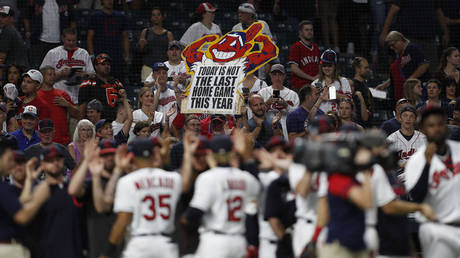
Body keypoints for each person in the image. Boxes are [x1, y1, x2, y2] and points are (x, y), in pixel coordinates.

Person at [101, 137, 184, 258]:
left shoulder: (127, 181)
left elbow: (122, 222)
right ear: (154, 154)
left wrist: (107, 253)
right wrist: (164, 158)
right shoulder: (174, 178)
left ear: (132, 156)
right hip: (166, 245)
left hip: (139, 245)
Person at [182, 135, 261, 258]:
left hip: (215, 242)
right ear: (233, 152)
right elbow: (257, 191)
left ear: (211, 154)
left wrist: (183, 219)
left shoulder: (208, 178)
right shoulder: (246, 178)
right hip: (239, 242)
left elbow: (194, 214)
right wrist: (246, 155)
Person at [403, 106, 460, 258]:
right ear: (423, 129)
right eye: (431, 125)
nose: (437, 129)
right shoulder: (416, 160)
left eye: (440, 124)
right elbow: (417, 197)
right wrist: (427, 164)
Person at [68, 139, 128, 258]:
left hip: (124, 249)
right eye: (104, 155)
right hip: (97, 249)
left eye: (111, 154)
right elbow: (73, 189)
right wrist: (87, 161)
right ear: (98, 157)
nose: (109, 158)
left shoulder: (126, 181)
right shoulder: (91, 183)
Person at [0, 136, 51, 258]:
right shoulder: (2, 187)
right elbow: (22, 217)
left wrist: (29, 180)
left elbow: (18, 205)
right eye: (9, 159)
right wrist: (39, 196)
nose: (13, 164)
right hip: (7, 249)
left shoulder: (4, 186)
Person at [32, 145, 84, 258]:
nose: (55, 163)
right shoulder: (38, 191)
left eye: (58, 159)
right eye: (50, 160)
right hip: (47, 252)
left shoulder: (72, 188)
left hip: (74, 251)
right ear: (42, 164)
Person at [379, 0, 446, 72]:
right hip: (409, 38)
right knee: (406, 71)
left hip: (429, 39)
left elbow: (439, 12)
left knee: (432, 71)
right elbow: (393, 10)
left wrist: (445, 32)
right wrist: (384, 32)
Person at [40, 28, 95, 105]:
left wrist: (85, 75)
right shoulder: (53, 53)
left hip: (79, 98)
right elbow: (42, 77)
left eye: (74, 41)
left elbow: (93, 75)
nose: (71, 43)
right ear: (63, 39)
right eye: (69, 40)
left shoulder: (84, 53)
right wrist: (60, 73)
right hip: (57, 98)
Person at [24, 0, 75, 68]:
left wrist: (70, 36)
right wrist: (28, 31)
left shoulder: (65, 2)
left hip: (60, 42)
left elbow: (73, 20)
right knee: (38, 68)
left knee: (59, 68)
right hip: (39, 42)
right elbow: (26, 16)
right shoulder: (36, 2)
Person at [88, 0, 130, 81]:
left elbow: (125, 37)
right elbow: (90, 37)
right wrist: (92, 55)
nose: (109, 1)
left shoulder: (121, 17)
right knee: (100, 83)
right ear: (102, 1)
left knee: (117, 83)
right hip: (100, 55)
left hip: (117, 57)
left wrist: (127, 55)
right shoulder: (95, 16)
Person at [38, 66, 80, 145]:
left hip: (63, 141)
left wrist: (68, 105)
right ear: (42, 77)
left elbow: (78, 114)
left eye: (54, 74)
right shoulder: (36, 95)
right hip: (42, 141)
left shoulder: (62, 94)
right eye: (49, 74)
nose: (53, 77)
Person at [384, 31, 430, 102]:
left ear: (399, 40)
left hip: (421, 87)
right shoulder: (399, 55)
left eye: (393, 45)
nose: (392, 48)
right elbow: (397, 75)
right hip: (411, 90)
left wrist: (410, 79)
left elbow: (424, 65)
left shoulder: (412, 48)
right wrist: (384, 85)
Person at [79, 53, 124, 121]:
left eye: (108, 64)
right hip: (96, 123)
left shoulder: (117, 83)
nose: (106, 66)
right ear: (96, 66)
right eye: (103, 64)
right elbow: (82, 108)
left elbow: (124, 104)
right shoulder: (88, 83)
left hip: (116, 122)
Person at [259, 64, 300, 140]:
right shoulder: (262, 92)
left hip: (287, 128)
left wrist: (286, 105)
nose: (277, 78)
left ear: (284, 76)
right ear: (270, 76)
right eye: (274, 75)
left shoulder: (293, 94)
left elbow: (297, 116)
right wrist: (267, 103)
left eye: (280, 75)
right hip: (267, 127)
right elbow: (257, 113)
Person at [137, 7, 174, 82]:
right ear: (151, 18)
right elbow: (139, 51)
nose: (156, 17)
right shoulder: (145, 32)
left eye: (158, 15)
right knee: (147, 92)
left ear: (162, 17)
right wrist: (140, 45)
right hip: (148, 67)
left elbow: (173, 53)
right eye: (154, 15)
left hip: (163, 69)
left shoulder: (168, 34)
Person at [312, 49, 352, 114]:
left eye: (329, 65)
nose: (326, 68)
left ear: (335, 66)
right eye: (324, 65)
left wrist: (332, 94)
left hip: (338, 118)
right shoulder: (315, 83)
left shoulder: (343, 81)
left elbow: (349, 100)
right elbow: (310, 104)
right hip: (320, 119)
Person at [387, 106, 426, 172]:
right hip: (398, 176)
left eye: (411, 116)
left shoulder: (423, 139)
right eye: (405, 116)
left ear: (415, 119)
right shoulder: (391, 139)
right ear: (400, 118)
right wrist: (402, 165)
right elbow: (387, 165)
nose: (408, 118)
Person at [288, 20, 320, 91]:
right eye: (306, 30)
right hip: (300, 86)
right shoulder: (296, 47)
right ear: (300, 32)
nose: (309, 32)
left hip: (314, 85)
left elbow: (319, 66)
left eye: (311, 30)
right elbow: (294, 68)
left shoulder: (316, 47)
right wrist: (311, 78)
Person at [0, 6, 28, 75]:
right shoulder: (12, 30)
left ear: (11, 18)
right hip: (19, 69)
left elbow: (1, 58)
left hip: (16, 71)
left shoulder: (8, 31)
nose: (0, 19)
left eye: (3, 16)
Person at [351, 57, 373, 127]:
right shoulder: (353, 85)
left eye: (368, 68)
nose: (368, 70)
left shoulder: (364, 84)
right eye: (365, 68)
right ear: (358, 69)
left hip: (368, 124)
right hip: (359, 125)